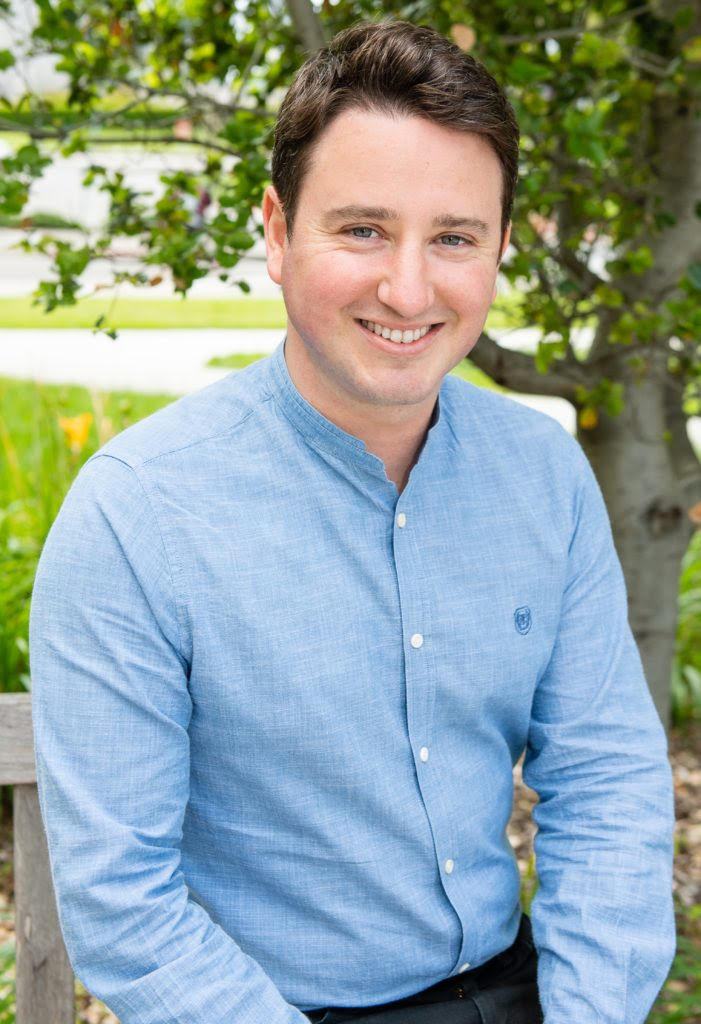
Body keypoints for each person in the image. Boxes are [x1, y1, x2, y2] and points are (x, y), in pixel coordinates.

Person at [30, 20, 675, 1024]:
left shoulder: (541, 472)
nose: (407, 288)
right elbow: (125, 906)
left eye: (452, 237)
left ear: (501, 247)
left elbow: (605, 780)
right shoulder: (136, 516)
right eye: (362, 229)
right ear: (278, 232)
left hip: (525, 997)